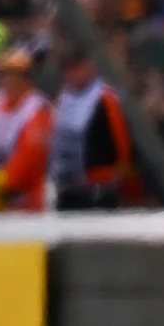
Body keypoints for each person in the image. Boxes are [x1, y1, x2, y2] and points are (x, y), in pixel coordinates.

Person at [0, 49, 53, 211]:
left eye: (10, 74)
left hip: (26, 198)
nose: (4, 80)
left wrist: (4, 180)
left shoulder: (37, 108)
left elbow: (32, 153)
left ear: (24, 77)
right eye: (1, 74)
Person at [50, 49, 132, 209]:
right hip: (67, 185)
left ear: (88, 67)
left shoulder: (105, 97)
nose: (72, 75)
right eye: (67, 70)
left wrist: (118, 177)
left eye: (76, 68)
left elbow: (122, 142)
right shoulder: (63, 98)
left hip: (99, 185)